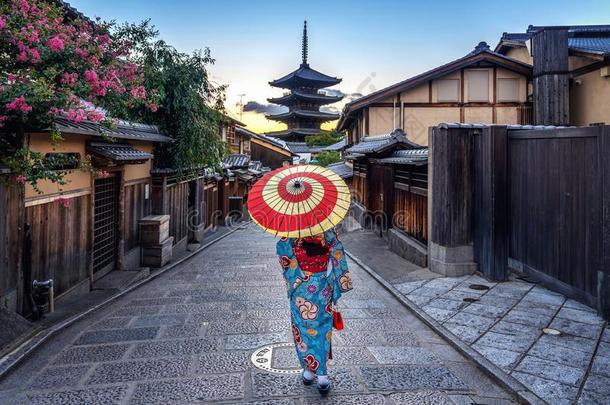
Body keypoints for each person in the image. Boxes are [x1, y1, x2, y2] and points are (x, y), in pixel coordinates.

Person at [276, 228, 353, 395]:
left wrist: (296, 274)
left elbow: (283, 252)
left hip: (301, 282)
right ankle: (322, 374)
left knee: (303, 326)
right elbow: (336, 248)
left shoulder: (291, 225)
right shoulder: (325, 224)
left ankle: (310, 370)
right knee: (322, 327)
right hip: (323, 282)